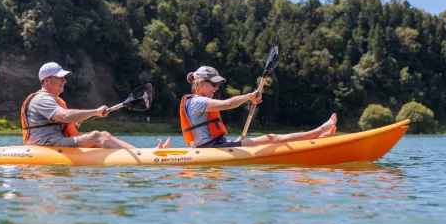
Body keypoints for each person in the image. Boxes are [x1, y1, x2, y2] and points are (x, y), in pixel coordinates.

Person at [21, 62, 171, 149]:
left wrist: (74, 120)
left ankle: (143, 153)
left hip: (55, 141)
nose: (64, 81)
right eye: (60, 78)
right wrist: (95, 111)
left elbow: (63, 118)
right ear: (46, 80)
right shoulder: (42, 99)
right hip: (46, 145)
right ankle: (145, 156)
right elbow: (65, 116)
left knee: (104, 134)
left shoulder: (50, 99)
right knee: (96, 136)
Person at [180, 66, 337, 148]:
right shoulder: (197, 102)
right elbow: (227, 104)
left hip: (215, 146)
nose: (216, 88)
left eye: (217, 85)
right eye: (213, 84)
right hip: (214, 148)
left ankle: (317, 138)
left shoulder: (193, 101)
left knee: (268, 139)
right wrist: (249, 96)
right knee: (272, 138)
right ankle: (319, 131)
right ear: (200, 84)